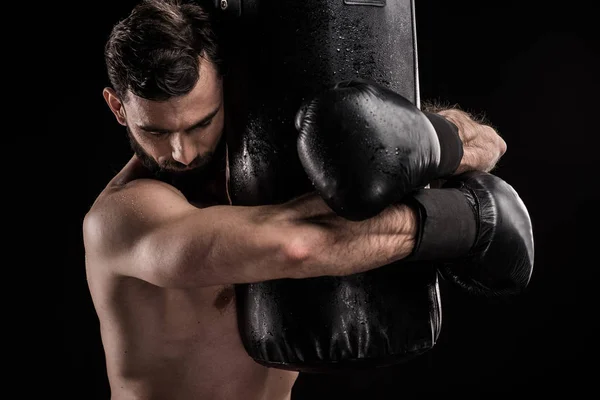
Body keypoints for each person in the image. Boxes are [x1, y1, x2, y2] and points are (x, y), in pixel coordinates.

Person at [83, 0, 519, 399]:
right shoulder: (122, 218)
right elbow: (296, 246)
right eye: (156, 132)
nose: (183, 153)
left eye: (201, 123)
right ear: (118, 107)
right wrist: (460, 220)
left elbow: (491, 143)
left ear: (225, 86)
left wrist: (431, 139)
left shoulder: (271, 171)